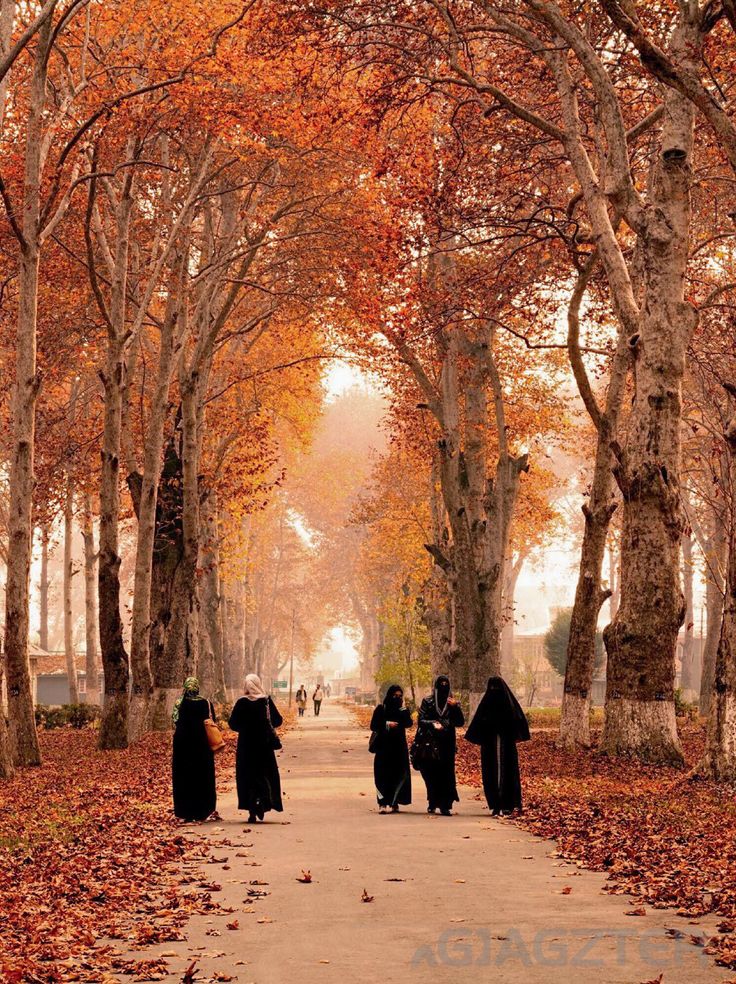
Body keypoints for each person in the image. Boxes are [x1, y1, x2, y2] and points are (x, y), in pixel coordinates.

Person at [464, 676, 530, 815]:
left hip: (506, 745)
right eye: (492, 688)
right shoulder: (486, 704)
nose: (494, 691)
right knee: (490, 773)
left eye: (497, 688)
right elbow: (478, 723)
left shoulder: (509, 705)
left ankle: (508, 804)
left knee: (508, 772)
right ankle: (494, 804)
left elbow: (518, 722)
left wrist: (514, 734)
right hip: (489, 745)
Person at [229, 673, 284, 823]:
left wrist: (246, 727)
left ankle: (251, 807)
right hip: (264, 745)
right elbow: (278, 720)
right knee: (264, 774)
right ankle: (263, 802)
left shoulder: (241, 702)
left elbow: (232, 724)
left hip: (246, 746)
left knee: (248, 776)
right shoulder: (266, 701)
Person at [171, 677, 218, 822]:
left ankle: (184, 811)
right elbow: (213, 721)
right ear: (197, 688)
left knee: (183, 777)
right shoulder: (207, 703)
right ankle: (203, 810)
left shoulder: (179, 703)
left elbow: (174, 720)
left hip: (182, 746)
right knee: (203, 776)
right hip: (202, 746)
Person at [416, 675, 465, 816]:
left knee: (447, 774)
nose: (444, 688)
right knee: (432, 774)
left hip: (447, 743)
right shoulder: (428, 701)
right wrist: (433, 724)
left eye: (446, 685)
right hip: (430, 743)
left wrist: (456, 708)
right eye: (441, 685)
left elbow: (460, 722)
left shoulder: (452, 703)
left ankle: (446, 805)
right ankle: (432, 801)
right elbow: (421, 720)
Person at [370, 685, 413, 813]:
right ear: (389, 695)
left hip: (399, 748)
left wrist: (404, 711)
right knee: (382, 775)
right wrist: (387, 724)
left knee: (398, 774)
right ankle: (382, 803)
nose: (398, 698)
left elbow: (409, 724)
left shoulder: (402, 710)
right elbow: (374, 725)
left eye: (400, 696)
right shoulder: (381, 709)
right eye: (395, 696)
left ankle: (395, 802)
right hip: (383, 748)